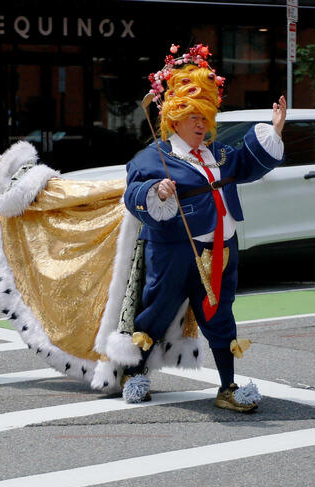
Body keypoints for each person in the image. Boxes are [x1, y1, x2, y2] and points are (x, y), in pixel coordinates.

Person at [121, 44, 285, 411]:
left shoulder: (220, 154)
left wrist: (273, 132)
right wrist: (155, 190)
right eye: (192, 115)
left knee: (219, 314)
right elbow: (132, 191)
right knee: (158, 310)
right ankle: (135, 373)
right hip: (173, 248)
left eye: (205, 115)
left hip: (221, 249)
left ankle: (227, 387)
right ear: (173, 118)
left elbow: (248, 165)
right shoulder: (154, 157)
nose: (201, 124)